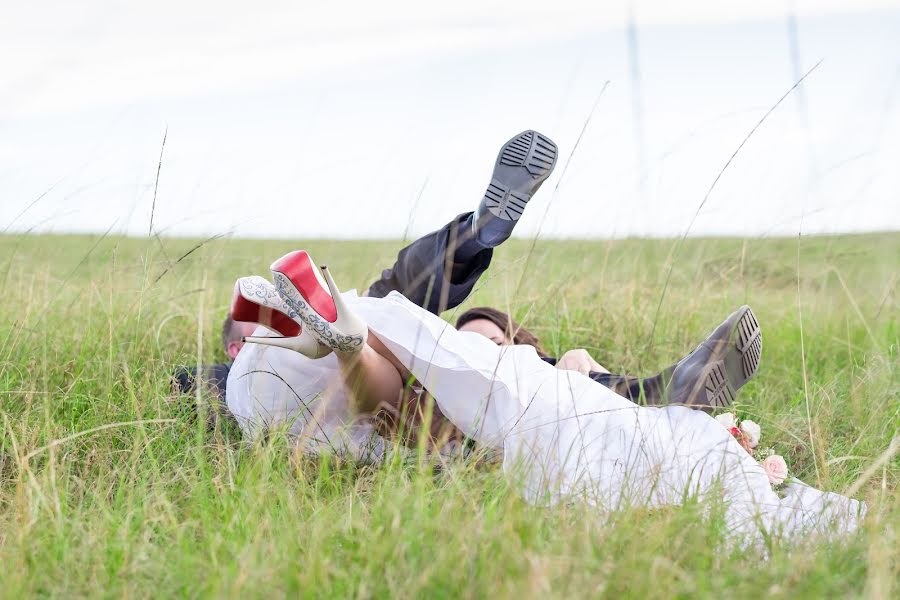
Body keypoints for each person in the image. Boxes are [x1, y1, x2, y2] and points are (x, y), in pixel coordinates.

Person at [227, 248, 864, 544]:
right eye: (479, 332)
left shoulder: (539, 368)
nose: (485, 338)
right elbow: (391, 396)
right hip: (416, 395)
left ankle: (677, 397)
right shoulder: (471, 364)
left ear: (520, 342)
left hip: (493, 416)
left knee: (445, 405)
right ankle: (346, 338)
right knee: (438, 390)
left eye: (498, 333)